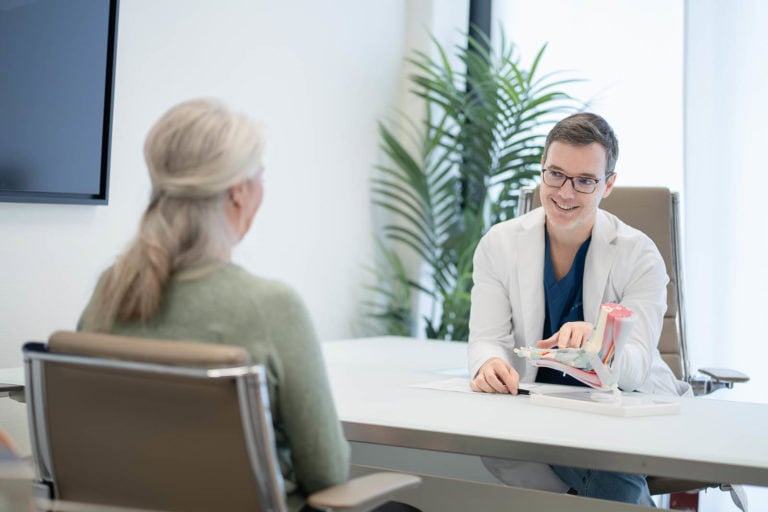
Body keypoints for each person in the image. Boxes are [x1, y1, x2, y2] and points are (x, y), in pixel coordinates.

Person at [77, 98, 349, 512]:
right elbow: (327, 473)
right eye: (260, 176)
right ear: (239, 192)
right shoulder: (273, 307)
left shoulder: (109, 292)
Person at [467, 112, 688, 505]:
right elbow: (488, 340)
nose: (564, 193)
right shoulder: (499, 245)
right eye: (555, 174)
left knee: (608, 459)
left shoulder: (640, 255)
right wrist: (488, 365)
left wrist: (602, 341)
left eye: (585, 181)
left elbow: (637, 365)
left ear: (608, 185)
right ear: (542, 171)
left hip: (616, 409)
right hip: (538, 405)